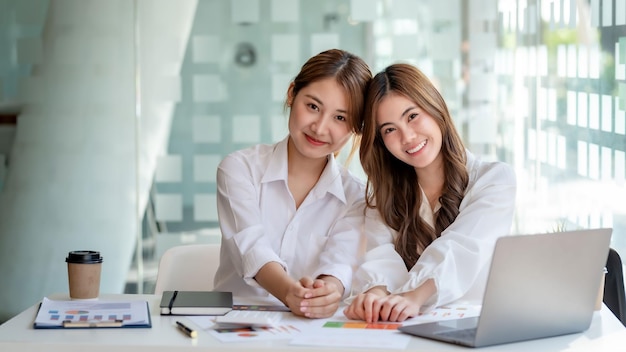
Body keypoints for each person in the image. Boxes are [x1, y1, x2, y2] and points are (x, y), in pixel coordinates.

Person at [344, 63, 516, 323]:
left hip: (480, 326)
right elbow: (381, 255)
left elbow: (462, 246)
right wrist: (375, 294)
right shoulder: (385, 197)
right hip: (413, 334)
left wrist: (414, 296)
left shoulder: (493, 180)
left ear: (435, 107)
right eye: (390, 129)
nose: (408, 136)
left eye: (412, 116)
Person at [213, 49, 372, 319]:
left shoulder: (355, 196)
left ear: (356, 128)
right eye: (312, 107)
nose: (320, 128)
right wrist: (290, 293)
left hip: (309, 330)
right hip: (233, 323)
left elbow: (340, 262)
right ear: (291, 94)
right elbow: (253, 249)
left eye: (340, 118)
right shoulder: (239, 169)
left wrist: (328, 291)